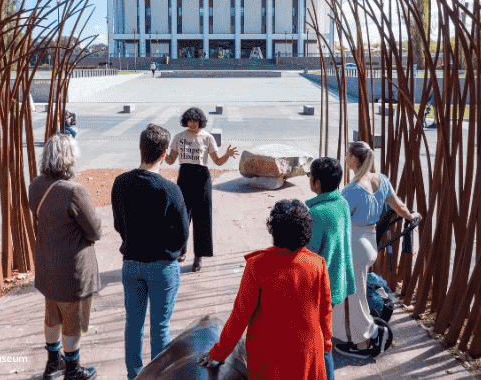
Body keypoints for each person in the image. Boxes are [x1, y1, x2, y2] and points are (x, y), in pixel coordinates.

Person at [196, 199, 333, 379]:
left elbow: (240, 316)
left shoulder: (257, 265)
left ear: (274, 231)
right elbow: (325, 311)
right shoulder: (317, 264)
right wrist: (326, 344)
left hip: (268, 357)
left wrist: (219, 352)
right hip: (307, 353)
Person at [112, 124, 189, 380]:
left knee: (133, 325)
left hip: (131, 262)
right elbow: (182, 234)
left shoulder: (121, 183)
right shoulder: (170, 190)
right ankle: (158, 376)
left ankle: (134, 375)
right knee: (160, 326)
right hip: (162, 265)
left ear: (140, 148)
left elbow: (118, 223)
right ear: (165, 153)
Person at [333, 141, 421, 358]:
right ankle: (347, 332)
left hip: (355, 244)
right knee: (353, 293)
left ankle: (364, 342)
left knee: (355, 296)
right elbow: (399, 205)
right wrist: (410, 216)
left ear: (354, 159)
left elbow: (338, 219)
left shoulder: (351, 190)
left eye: (347, 155)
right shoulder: (381, 180)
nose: (345, 159)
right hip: (369, 243)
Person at [29, 134, 100, 380]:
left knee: (52, 315)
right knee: (73, 321)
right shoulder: (74, 191)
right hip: (72, 268)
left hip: (47, 262)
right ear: (69, 159)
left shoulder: (36, 184)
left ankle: (52, 363)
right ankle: (72, 369)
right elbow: (95, 230)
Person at [165, 107, 238, 272]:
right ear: (186, 121)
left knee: (202, 217)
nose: (192, 124)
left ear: (201, 122)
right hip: (184, 176)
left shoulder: (207, 138)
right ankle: (181, 250)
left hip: (202, 178)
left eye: (195, 121)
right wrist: (161, 153)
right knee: (181, 215)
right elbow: (171, 160)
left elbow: (217, 161)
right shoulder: (179, 137)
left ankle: (199, 256)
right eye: (189, 121)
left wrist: (227, 155)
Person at [305, 157, 356, 380]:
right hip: (336, 281)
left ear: (317, 183)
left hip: (319, 288)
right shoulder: (341, 203)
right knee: (321, 336)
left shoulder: (317, 214)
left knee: (319, 341)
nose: (309, 179)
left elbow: (308, 255)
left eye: (310, 176)